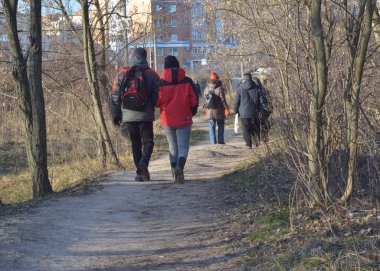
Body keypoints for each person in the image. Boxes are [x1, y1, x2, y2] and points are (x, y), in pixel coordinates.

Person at [110, 47, 160, 182]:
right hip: (145, 115)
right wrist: (154, 106)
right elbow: (157, 96)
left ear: (133, 56)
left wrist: (116, 114)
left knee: (135, 143)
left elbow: (114, 95)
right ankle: (143, 167)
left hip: (128, 115)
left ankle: (140, 171)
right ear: (145, 57)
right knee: (148, 141)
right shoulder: (152, 74)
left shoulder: (122, 73)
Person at [155, 55, 198, 184]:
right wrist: (192, 112)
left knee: (173, 147)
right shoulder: (187, 81)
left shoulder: (161, 83)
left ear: (165, 67)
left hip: (167, 120)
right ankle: (180, 167)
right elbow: (194, 100)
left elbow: (157, 102)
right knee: (183, 147)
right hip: (184, 118)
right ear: (178, 65)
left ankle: (175, 173)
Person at [233, 72, 261, 149]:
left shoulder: (240, 88)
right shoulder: (256, 87)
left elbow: (236, 102)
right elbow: (260, 100)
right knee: (255, 127)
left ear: (243, 79)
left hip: (244, 112)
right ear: (251, 78)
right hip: (255, 111)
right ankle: (257, 142)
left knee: (246, 129)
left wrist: (236, 111)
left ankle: (248, 144)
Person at [202, 71, 230, 144]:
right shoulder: (220, 88)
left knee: (211, 125)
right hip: (219, 110)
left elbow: (205, 98)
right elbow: (223, 100)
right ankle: (220, 141)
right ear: (218, 79)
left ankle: (213, 142)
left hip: (209, 110)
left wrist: (204, 105)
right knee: (221, 124)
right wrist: (226, 108)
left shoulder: (207, 88)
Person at [252, 77, 271, 144]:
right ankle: (265, 139)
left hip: (258, 110)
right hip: (266, 110)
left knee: (256, 124)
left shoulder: (254, 90)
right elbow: (270, 101)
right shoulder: (265, 90)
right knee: (264, 124)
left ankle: (257, 140)